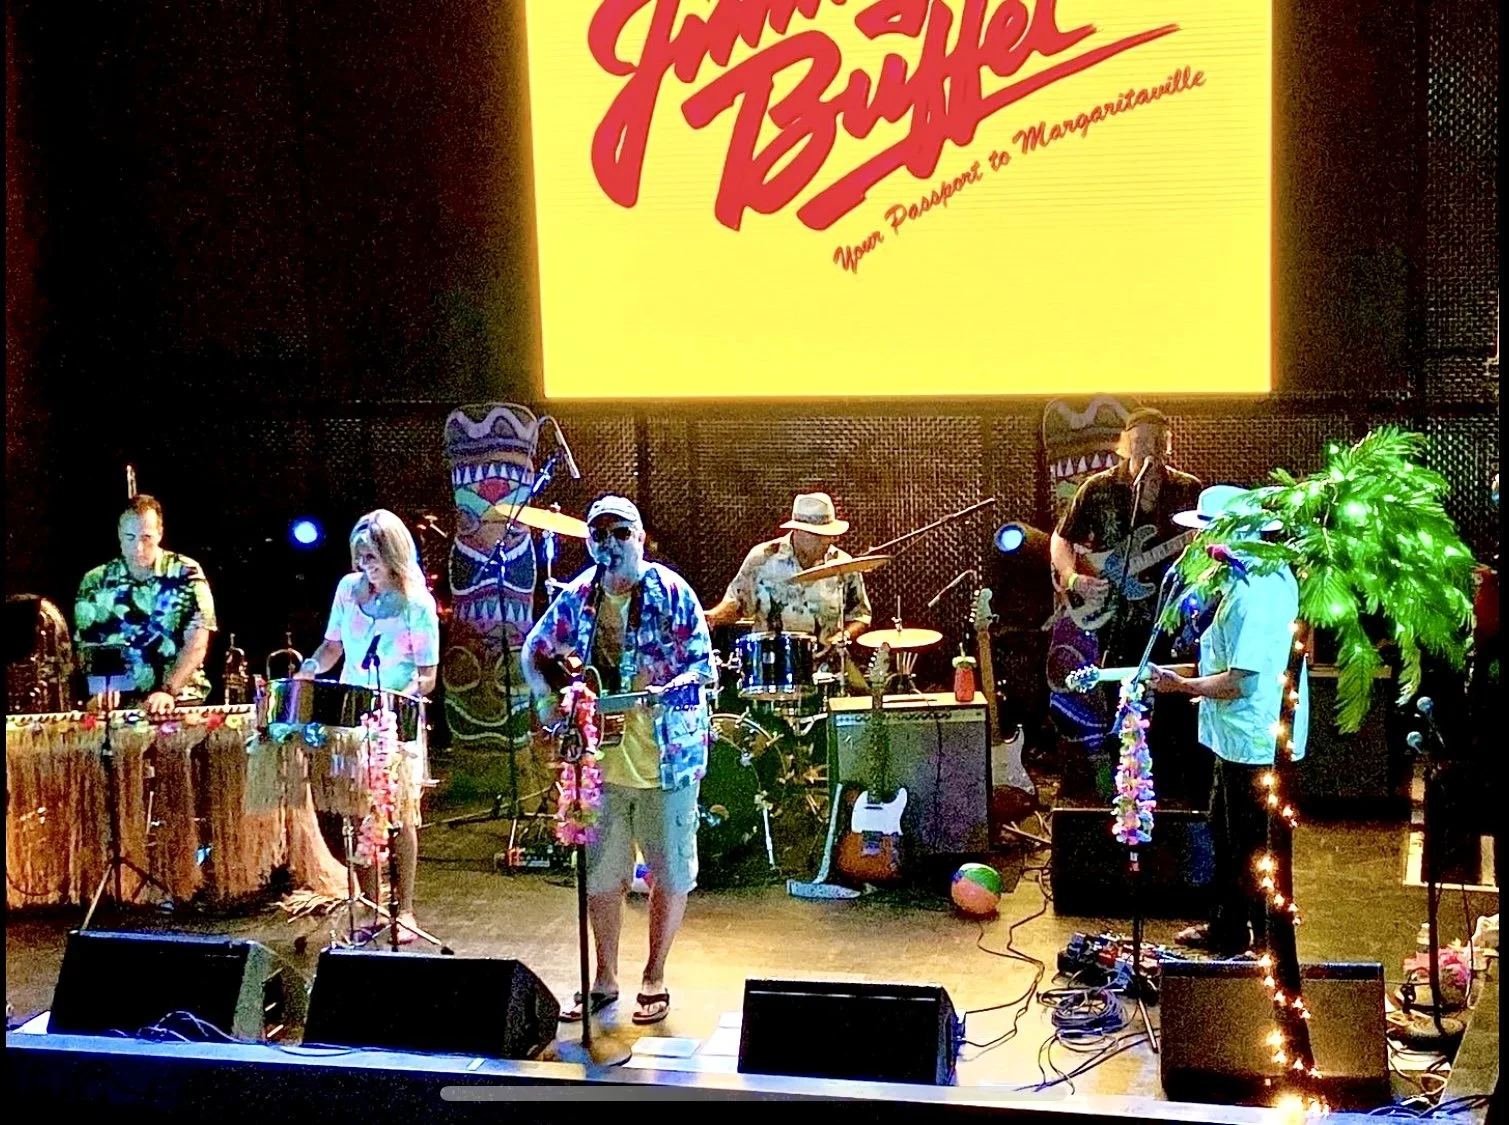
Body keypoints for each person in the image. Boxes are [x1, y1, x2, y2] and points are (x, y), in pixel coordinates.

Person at [523, 495, 714, 1027]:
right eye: (599, 534)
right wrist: (546, 700)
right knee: (602, 877)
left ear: (639, 537)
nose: (609, 544)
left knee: (669, 874)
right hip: (598, 765)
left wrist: (663, 690)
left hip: (664, 761)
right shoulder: (579, 597)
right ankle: (604, 977)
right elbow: (534, 650)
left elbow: (703, 668)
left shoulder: (673, 592)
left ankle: (654, 975)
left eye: (620, 533)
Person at [1148, 485, 1309, 958]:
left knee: (1251, 849)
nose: (1199, 544)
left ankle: (1260, 945)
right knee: (1225, 838)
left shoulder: (1260, 591)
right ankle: (1228, 929)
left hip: (1256, 741)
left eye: (1206, 533)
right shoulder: (1240, 581)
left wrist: (1181, 688)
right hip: (1234, 737)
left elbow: (1239, 680)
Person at [295, 510, 439, 942]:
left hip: (395, 721)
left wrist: (400, 699)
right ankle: (372, 904)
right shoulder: (347, 591)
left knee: (400, 815)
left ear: (393, 555)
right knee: (359, 814)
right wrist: (309, 668)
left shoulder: (416, 603)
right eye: (360, 558)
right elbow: (332, 647)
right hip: (351, 720)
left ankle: (406, 910)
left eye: (373, 558)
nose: (365, 567)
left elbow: (427, 673)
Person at [1050, 408, 1203, 803]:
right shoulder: (1098, 487)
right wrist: (1073, 578)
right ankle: (1123, 792)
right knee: (1120, 698)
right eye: (1141, 441)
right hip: (1113, 619)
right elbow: (1061, 538)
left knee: (1170, 702)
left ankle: (1167, 793)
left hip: (1169, 616)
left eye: (1158, 441)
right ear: (1125, 444)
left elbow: (1202, 545)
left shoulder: (1187, 488)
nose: (1150, 449)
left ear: (1168, 445)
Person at [74, 494, 216, 718]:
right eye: (130, 538)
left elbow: (197, 642)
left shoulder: (186, 572)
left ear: (160, 534)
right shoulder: (95, 581)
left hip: (179, 698)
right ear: (120, 536)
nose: (138, 547)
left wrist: (168, 690)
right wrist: (104, 688)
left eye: (146, 537)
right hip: (119, 704)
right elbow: (87, 645)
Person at [704, 491, 873, 644]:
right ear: (798, 532)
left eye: (829, 535)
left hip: (828, 664)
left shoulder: (843, 563)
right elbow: (738, 603)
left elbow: (861, 615)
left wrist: (844, 636)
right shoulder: (763, 558)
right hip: (773, 664)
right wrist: (712, 617)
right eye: (820, 536)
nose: (828, 541)